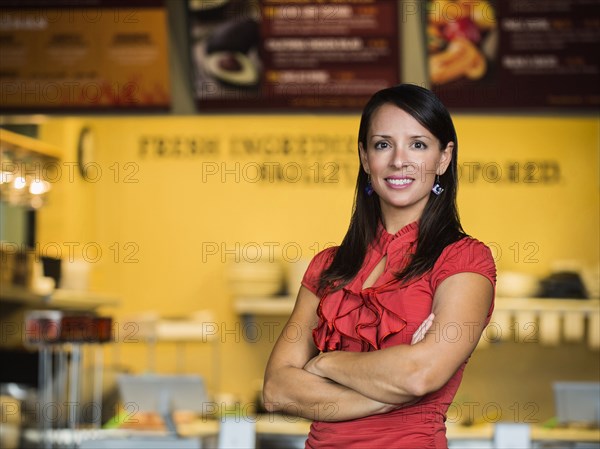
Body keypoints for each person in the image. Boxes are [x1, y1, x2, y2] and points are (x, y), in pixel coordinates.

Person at [263, 84, 496, 449]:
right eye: (383, 144)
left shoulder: (464, 260)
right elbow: (277, 390)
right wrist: (386, 394)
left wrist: (324, 363)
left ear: (443, 158)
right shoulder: (328, 266)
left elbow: (420, 375)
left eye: (418, 144)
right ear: (365, 157)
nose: (398, 160)